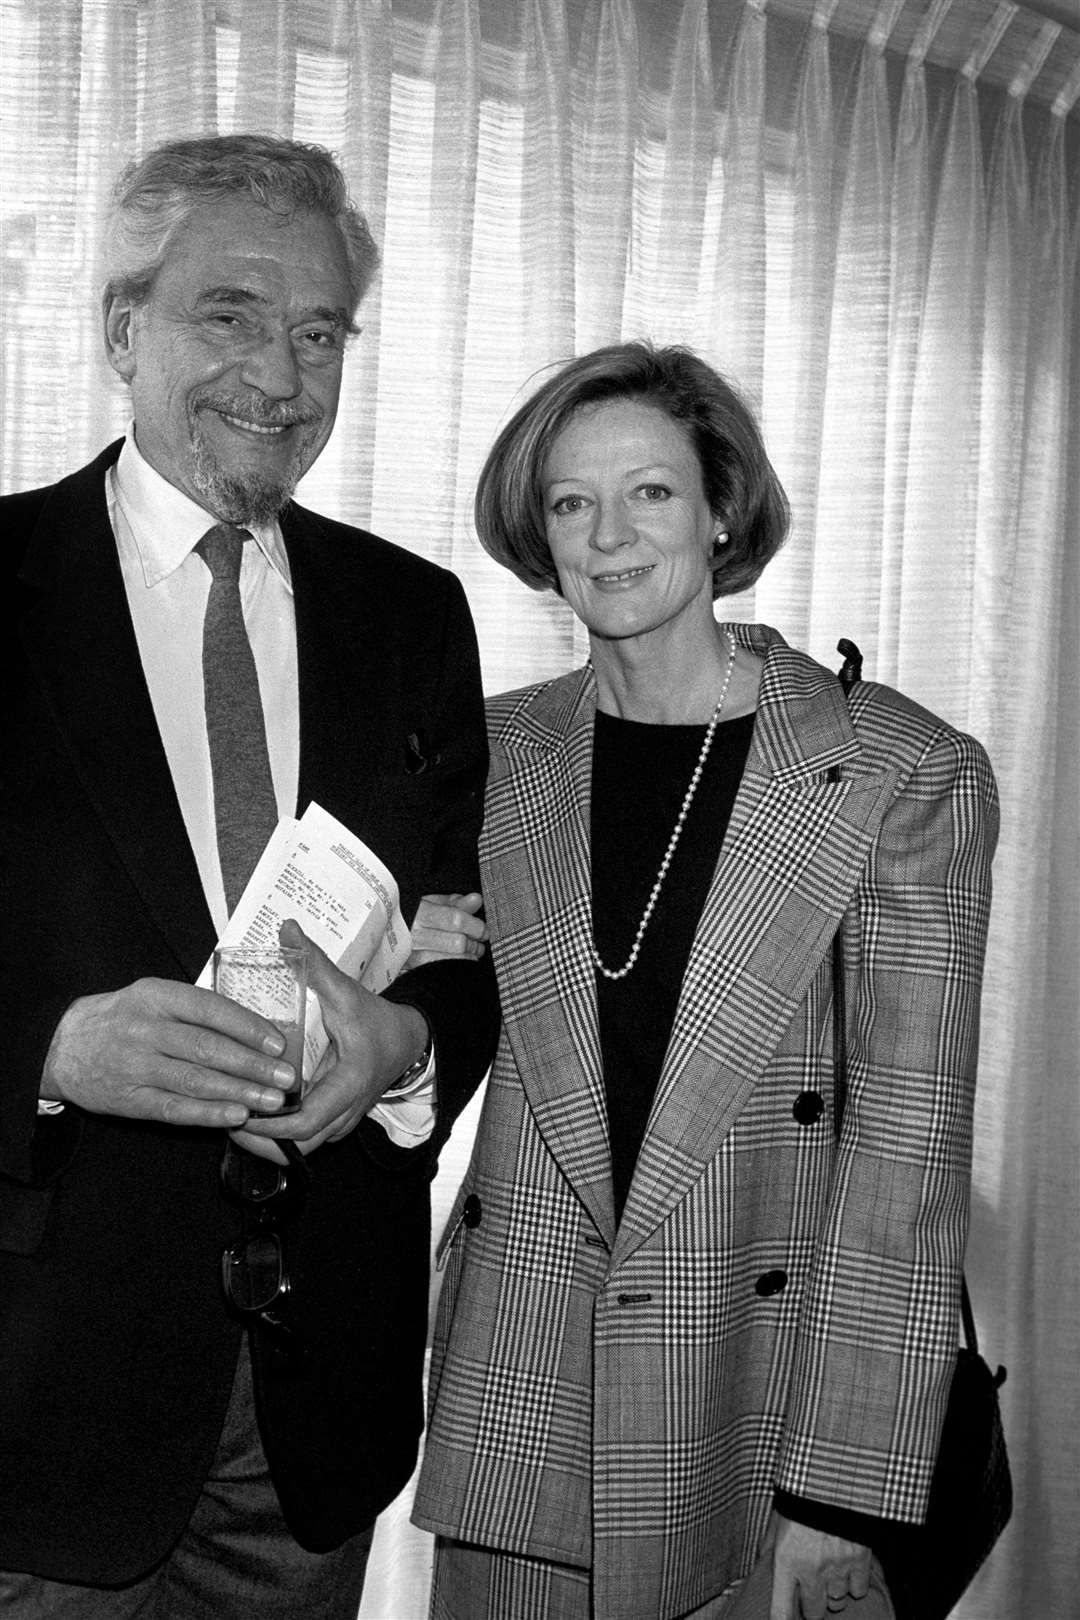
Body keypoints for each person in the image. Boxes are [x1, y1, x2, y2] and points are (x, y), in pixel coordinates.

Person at [411, 341, 999, 1620]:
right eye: (572, 502)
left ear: (723, 506)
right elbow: (435, 1046)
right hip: (523, 1404)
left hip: (756, 1425)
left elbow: (906, 1165)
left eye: (651, 493)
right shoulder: (490, 750)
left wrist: (839, 1504)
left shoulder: (896, 769)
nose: (609, 535)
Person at [0, 134, 498, 1618]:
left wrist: (411, 1056)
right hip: (36, 1402)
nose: (281, 377)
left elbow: (467, 940)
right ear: (118, 330)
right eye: (230, 315)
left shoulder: (414, 613)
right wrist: (51, 1049)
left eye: (319, 331)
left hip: (312, 1402)